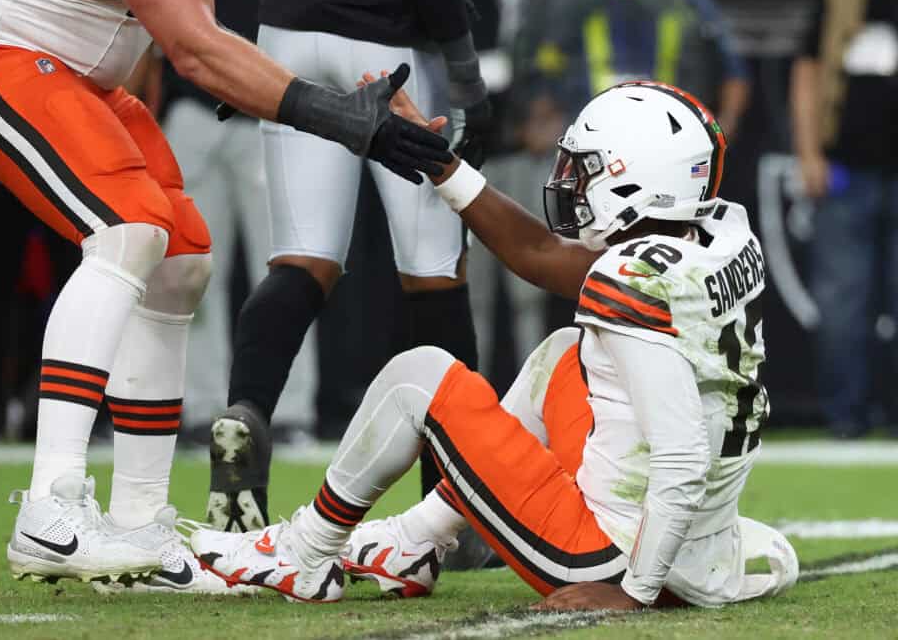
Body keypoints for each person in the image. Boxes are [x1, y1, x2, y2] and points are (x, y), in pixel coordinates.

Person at [0, 0, 450, 593]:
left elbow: (211, 14)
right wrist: (338, 116)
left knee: (181, 259)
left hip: (75, 71)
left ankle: (140, 527)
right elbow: (194, 49)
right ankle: (50, 507)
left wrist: (277, 82)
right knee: (129, 229)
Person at [190, 79, 799, 609]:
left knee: (418, 376)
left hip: (614, 555)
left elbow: (682, 453)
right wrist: (444, 167)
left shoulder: (631, 280)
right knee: (567, 349)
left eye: (586, 168)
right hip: (692, 540)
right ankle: (418, 539)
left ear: (637, 179)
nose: (569, 181)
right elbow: (541, 255)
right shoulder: (724, 230)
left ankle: (306, 552)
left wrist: (633, 590)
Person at [208, 0, 492, 535]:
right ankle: (451, 515)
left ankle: (246, 416)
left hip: (287, 39)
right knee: (434, 271)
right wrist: (468, 80)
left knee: (301, 260)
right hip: (391, 49)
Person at [158, 0, 318, 461]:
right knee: (191, 271)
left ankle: (289, 410)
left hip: (268, 113)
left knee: (286, 268)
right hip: (193, 110)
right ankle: (201, 408)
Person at [791, 0, 898, 438]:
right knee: (843, 304)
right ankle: (845, 418)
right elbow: (809, 67)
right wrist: (809, 152)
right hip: (846, 168)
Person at [516, 0, 749, 141]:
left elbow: (731, 65)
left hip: (668, 137)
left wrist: (724, 125)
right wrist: (540, 118)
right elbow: (540, 59)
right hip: (588, 134)